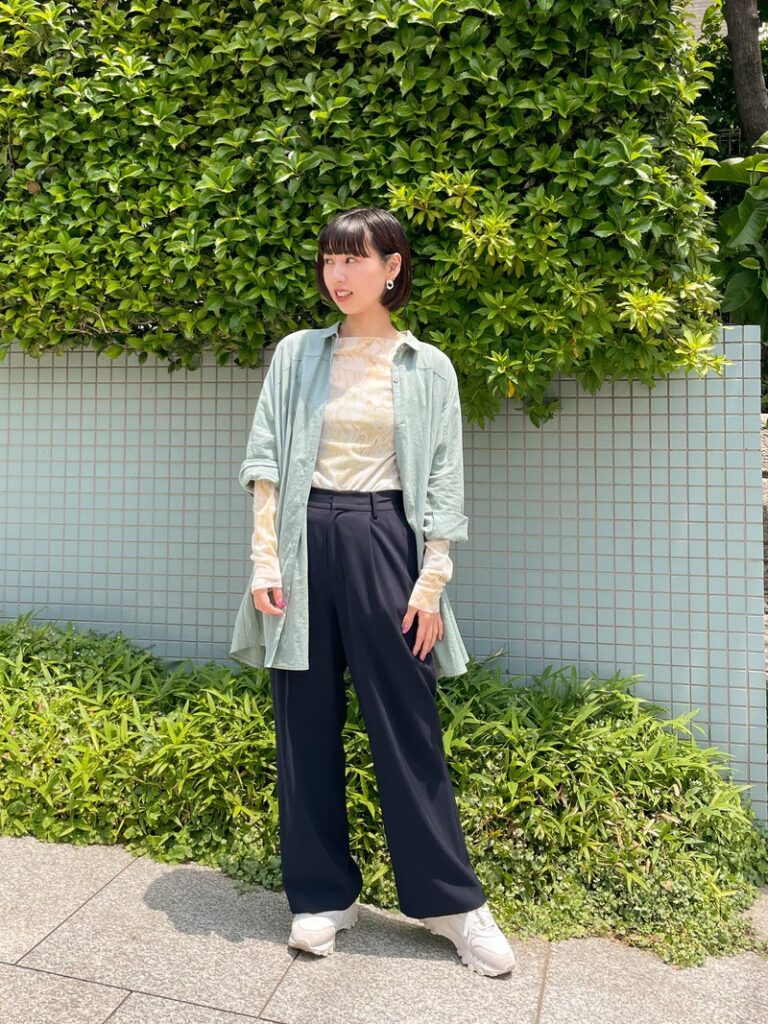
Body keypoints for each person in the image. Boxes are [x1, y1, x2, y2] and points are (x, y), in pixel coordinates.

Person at [233, 206, 515, 977]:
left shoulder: (427, 367)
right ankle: (323, 896)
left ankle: (451, 904)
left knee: (407, 724)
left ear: (392, 268)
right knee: (304, 724)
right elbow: (266, 458)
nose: (339, 274)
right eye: (330, 258)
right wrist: (265, 562)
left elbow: (445, 478)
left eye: (355, 259)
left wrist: (432, 580)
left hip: (386, 537)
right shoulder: (298, 354)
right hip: (302, 541)